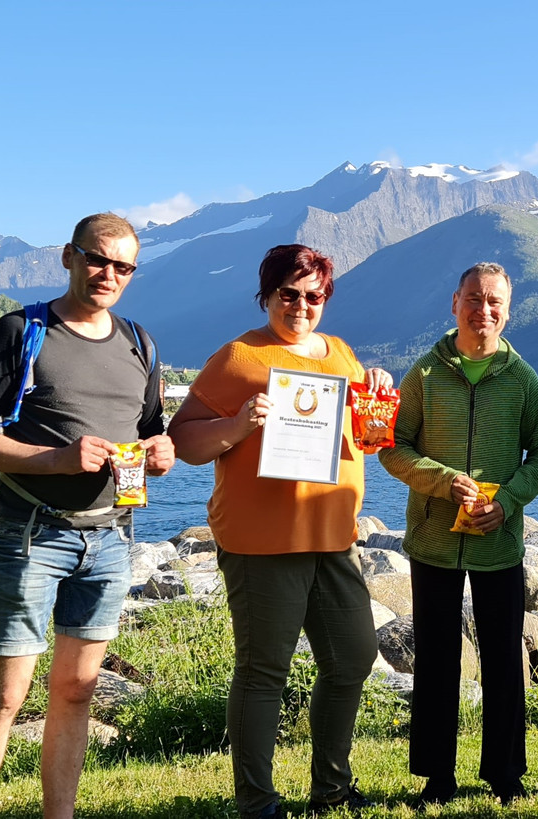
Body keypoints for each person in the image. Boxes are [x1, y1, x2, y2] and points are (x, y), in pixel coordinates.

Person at [0, 213, 175, 819]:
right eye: (98, 259)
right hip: (32, 533)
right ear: (68, 256)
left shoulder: (140, 343)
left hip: (113, 537)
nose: (109, 275)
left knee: (76, 691)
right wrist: (56, 458)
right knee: (6, 698)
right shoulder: (22, 331)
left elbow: (150, 431)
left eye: (123, 267)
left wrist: (163, 452)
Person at [168, 244, 390, 819]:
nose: (300, 305)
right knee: (264, 670)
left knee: (352, 658)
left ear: (326, 299)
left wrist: (375, 405)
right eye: (288, 294)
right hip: (260, 540)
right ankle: (257, 802)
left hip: (333, 537)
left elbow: (361, 441)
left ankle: (332, 790)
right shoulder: (238, 357)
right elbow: (185, 442)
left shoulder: (341, 355)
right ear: (266, 295)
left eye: (313, 295)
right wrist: (240, 423)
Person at [378, 261, 538, 805]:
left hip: (498, 544)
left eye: (495, 302)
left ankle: (505, 775)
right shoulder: (424, 376)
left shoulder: (522, 378)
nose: (484, 310)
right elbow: (392, 446)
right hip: (434, 542)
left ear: (507, 310)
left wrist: (505, 502)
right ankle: (437, 777)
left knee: (504, 658)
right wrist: (441, 481)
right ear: (454, 303)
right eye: (474, 300)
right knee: (435, 659)